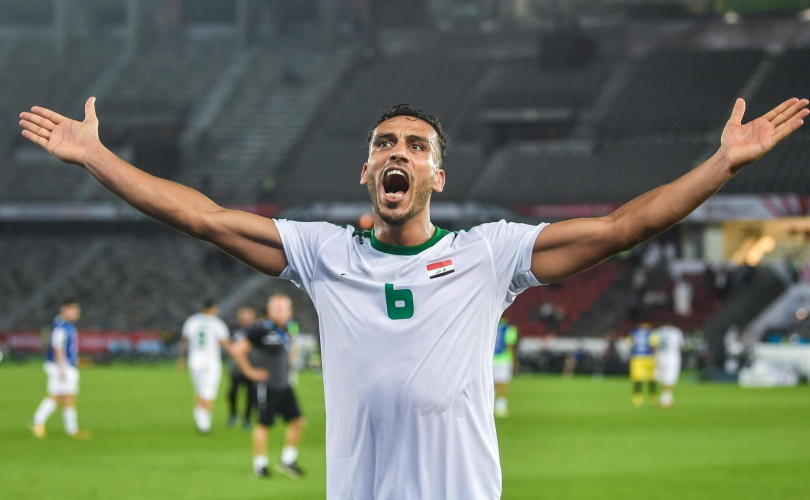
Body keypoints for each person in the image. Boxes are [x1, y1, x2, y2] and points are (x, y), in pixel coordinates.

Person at [19, 93, 807, 498]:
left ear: (437, 174)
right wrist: (97, 158)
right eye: (384, 144)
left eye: (416, 145)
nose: (398, 152)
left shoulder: (487, 254)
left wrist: (722, 165)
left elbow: (620, 228)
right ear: (367, 171)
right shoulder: (324, 254)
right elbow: (201, 216)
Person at [229, 294, 306, 479]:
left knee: (298, 421)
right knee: (264, 424)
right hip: (266, 386)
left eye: (284, 308)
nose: (281, 312)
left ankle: (287, 461)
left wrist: (291, 364)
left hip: (284, 384)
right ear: (269, 310)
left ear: (290, 311)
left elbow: (292, 346)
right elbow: (237, 350)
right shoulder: (260, 328)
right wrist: (250, 372)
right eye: (277, 308)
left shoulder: (290, 326)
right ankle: (260, 466)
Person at [30, 299, 91, 439]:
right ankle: (38, 421)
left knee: (66, 396)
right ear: (65, 309)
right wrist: (63, 367)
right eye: (74, 310)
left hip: (64, 365)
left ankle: (71, 429)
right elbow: (58, 347)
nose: (76, 313)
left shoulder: (65, 325)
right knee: (60, 396)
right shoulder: (60, 327)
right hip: (62, 366)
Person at [177, 300, 231, 434]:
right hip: (211, 361)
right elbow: (225, 342)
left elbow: (185, 340)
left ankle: (199, 417)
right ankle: (204, 424)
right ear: (212, 309)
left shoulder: (192, 321)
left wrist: (181, 358)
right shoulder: (217, 323)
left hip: (195, 360)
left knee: (199, 390)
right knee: (209, 392)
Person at [228, 306, 257, 430]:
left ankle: (247, 418)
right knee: (232, 392)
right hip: (236, 367)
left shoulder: (256, 330)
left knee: (250, 394)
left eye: (247, 315)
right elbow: (229, 345)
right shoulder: (234, 330)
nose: (244, 318)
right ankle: (233, 414)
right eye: (242, 316)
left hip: (251, 366)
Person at [653, 323, 685, 409]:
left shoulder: (658, 331)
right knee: (669, 380)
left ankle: (667, 399)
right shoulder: (676, 332)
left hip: (660, 357)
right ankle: (665, 400)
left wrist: (655, 358)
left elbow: (654, 346)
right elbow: (680, 346)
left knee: (664, 379)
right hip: (672, 358)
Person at [492, 317, 518, 418]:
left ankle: (490, 406)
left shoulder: (492, 325)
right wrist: (515, 361)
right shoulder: (509, 328)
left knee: (491, 384)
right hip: (504, 360)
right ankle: (501, 408)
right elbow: (510, 345)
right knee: (503, 383)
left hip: (490, 359)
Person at [628, 322, 658, 407]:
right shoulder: (651, 333)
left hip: (637, 358)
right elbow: (654, 346)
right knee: (651, 379)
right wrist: (655, 357)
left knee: (637, 379)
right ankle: (653, 397)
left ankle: (637, 398)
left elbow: (629, 343)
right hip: (648, 358)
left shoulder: (634, 332)